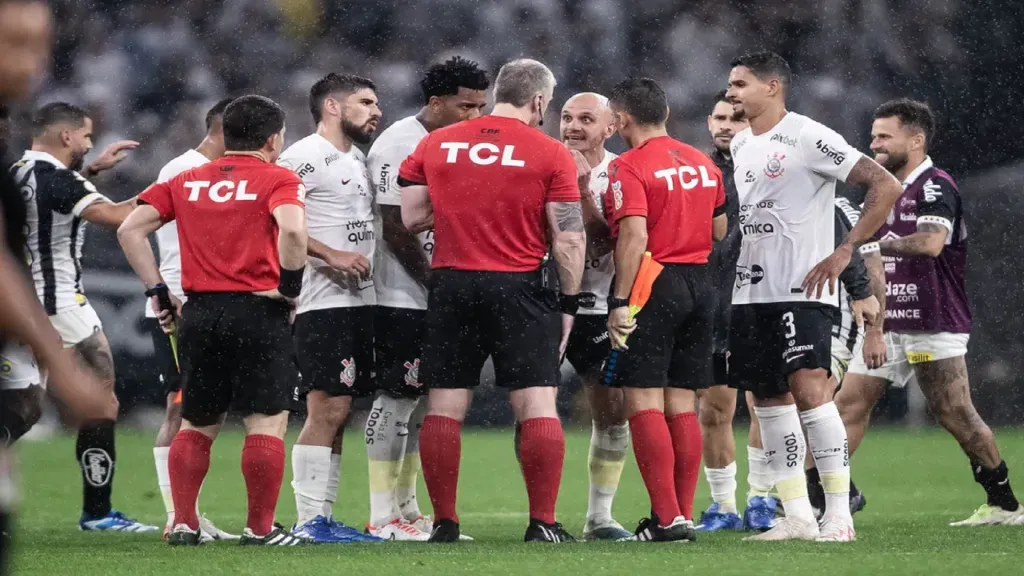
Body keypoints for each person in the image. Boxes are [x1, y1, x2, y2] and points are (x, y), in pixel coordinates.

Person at [399, 58, 585, 543]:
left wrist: (466, 206)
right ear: (540, 100)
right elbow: (568, 238)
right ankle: (542, 522)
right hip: (521, 285)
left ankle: (444, 522)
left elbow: (413, 218)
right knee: (536, 403)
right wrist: (569, 301)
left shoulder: (434, 143)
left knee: (445, 404)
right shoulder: (550, 152)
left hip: (453, 282)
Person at [118, 95, 312, 546]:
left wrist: (157, 290)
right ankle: (260, 529)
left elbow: (130, 228)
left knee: (197, 422)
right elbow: (295, 230)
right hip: (258, 311)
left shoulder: (187, 179)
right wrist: (289, 288)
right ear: (273, 138)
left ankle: (183, 523)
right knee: (266, 421)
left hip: (200, 313)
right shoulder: (278, 178)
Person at [726, 50, 902, 542]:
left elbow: (883, 185)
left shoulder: (807, 134)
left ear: (772, 86)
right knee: (768, 402)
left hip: (803, 290)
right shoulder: (741, 144)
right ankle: (798, 516)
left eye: (740, 84)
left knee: (811, 396)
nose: (732, 93)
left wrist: (846, 250)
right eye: (730, 85)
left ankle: (838, 515)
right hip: (751, 292)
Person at [834, 98, 1023, 526]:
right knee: (847, 406)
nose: (874, 143)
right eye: (873, 135)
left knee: (954, 413)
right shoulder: (878, 189)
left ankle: (1005, 504)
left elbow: (930, 243)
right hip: (886, 322)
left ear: (915, 139)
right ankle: (824, 498)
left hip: (931, 323)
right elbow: (872, 265)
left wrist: (869, 244)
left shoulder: (936, 185)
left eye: (885, 135)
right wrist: (874, 324)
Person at [11, 102, 154, 532]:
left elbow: (46, 205)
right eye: (86, 137)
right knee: (98, 400)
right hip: (57, 303)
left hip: (23, 299)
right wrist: (173, 189)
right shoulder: (58, 179)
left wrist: (89, 173)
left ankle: (98, 511)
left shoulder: (18, 171)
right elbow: (116, 218)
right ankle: (98, 512)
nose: (90, 144)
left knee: (26, 405)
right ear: (67, 136)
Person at [596, 77, 725, 542]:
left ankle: (667, 519)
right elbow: (719, 227)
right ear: (666, 114)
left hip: (654, 280)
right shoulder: (702, 162)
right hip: (700, 281)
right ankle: (681, 514)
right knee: (681, 403)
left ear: (622, 120)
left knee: (642, 399)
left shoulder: (628, 167)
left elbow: (633, 236)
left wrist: (619, 301)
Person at [365, 56, 488, 541]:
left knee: (417, 403)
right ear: (435, 103)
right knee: (395, 397)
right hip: (402, 294)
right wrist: (437, 283)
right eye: (465, 106)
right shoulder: (400, 144)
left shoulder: (458, 142)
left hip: (434, 294)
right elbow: (395, 229)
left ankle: (407, 509)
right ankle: (381, 514)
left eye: (481, 106)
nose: (474, 116)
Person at [277, 73, 382, 544]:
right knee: (327, 410)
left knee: (341, 412)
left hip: (358, 302)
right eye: (366, 102)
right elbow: (273, 220)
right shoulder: (301, 157)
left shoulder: (357, 158)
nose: (376, 110)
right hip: (321, 304)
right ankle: (307, 521)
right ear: (333, 107)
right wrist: (330, 254)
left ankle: (323, 517)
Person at [147, 98, 236, 542]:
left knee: (203, 411)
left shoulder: (218, 173)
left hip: (208, 304)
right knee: (180, 407)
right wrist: (163, 291)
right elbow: (138, 224)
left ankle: (189, 515)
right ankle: (175, 517)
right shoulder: (181, 169)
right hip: (182, 305)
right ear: (224, 130)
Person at [558, 91, 633, 541]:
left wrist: (584, 192)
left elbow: (607, 244)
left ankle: (599, 517)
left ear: (610, 127)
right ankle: (540, 517)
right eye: (567, 117)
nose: (573, 127)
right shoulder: (538, 162)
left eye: (586, 118)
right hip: (543, 306)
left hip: (602, 307)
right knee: (533, 411)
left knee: (611, 412)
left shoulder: (622, 173)